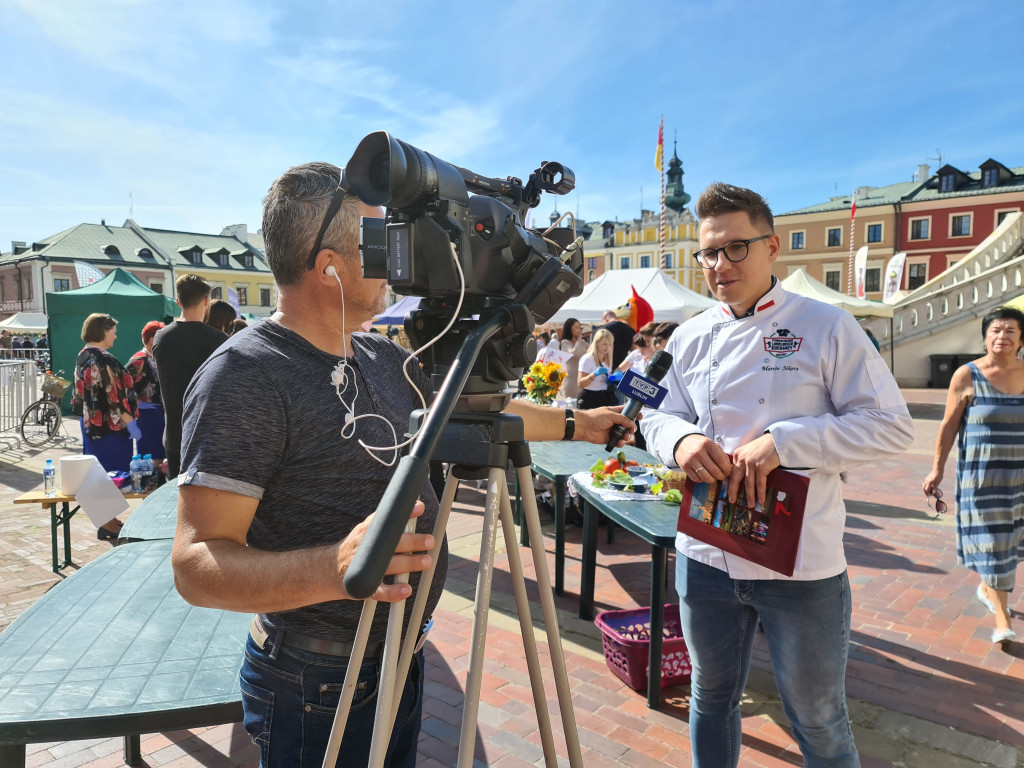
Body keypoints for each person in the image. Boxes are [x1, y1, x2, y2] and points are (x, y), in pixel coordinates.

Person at [170, 161, 636, 768]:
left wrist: (581, 424)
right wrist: (333, 567)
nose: (398, 257)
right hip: (316, 680)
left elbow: (472, 407)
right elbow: (194, 564)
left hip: (399, 656)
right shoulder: (243, 375)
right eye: (380, 240)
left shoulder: (378, 354)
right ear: (330, 265)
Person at [641, 182, 914, 768]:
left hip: (801, 566)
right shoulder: (690, 335)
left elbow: (891, 426)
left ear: (773, 247)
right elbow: (655, 416)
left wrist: (786, 442)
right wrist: (681, 440)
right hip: (706, 553)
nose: (719, 265)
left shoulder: (826, 325)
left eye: (735, 248)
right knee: (710, 698)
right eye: (709, 252)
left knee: (817, 718)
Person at [923, 306, 1024, 644]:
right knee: (995, 545)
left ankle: (986, 587)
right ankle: (1002, 619)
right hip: (982, 479)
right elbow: (949, 425)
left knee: (1010, 544)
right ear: (985, 337)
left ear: (1021, 339)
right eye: (995, 330)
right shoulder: (967, 376)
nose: (1002, 336)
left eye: (1010, 330)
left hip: (1020, 481)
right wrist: (937, 467)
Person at [70, 313, 142, 541]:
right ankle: (108, 525)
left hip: (92, 424)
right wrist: (131, 424)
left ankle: (108, 522)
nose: (115, 335)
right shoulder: (102, 358)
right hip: (109, 426)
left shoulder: (83, 355)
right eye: (113, 330)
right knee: (110, 476)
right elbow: (115, 395)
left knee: (98, 474)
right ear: (103, 331)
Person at [153, 274, 229, 478]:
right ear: (206, 301)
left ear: (178, 302)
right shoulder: (218, 340)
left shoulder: (161, 337)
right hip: (209, 434)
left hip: (174, 433)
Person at [126, 321, 166, 467]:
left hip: (159, 412)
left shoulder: (156, 357)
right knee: (152, 455)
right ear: (152, 340)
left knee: (160, 454)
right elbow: (125, 386)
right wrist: (138, 403)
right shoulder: (139, 360)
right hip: (147, 414)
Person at [577, 327, 616, 410]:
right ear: (597, 343)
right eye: (604, 344)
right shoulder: (587, 359)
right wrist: (593, 375)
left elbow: (605, 379)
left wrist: (613, 378)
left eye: (609, 344)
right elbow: (580, 383)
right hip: (589, 397)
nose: (607, 347)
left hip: (604, 397)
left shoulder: (608, 360)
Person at [559, 317, 588, 400]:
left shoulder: (582, 343)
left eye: (579, 327)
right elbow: (573, 354)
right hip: (571, 378)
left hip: (582, 377)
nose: (578, 330)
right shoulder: (565, 342)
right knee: (571, 404)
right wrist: (578, 341)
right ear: (569, 329)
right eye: (576, 327)